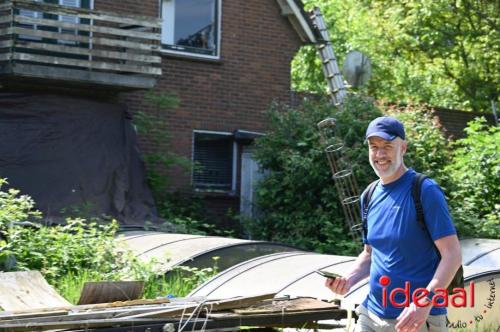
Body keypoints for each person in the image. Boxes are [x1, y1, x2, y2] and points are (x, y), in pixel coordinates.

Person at [325, 116, 462, 332]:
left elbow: (452, 255)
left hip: (414, 320)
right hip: (371, 314)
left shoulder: (425, 190)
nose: (379, 154)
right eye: (374, 147)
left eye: (387, 146)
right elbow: (370, 254)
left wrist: (424, 302)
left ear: (403, 148)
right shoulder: (368, 195)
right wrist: (348, 280)